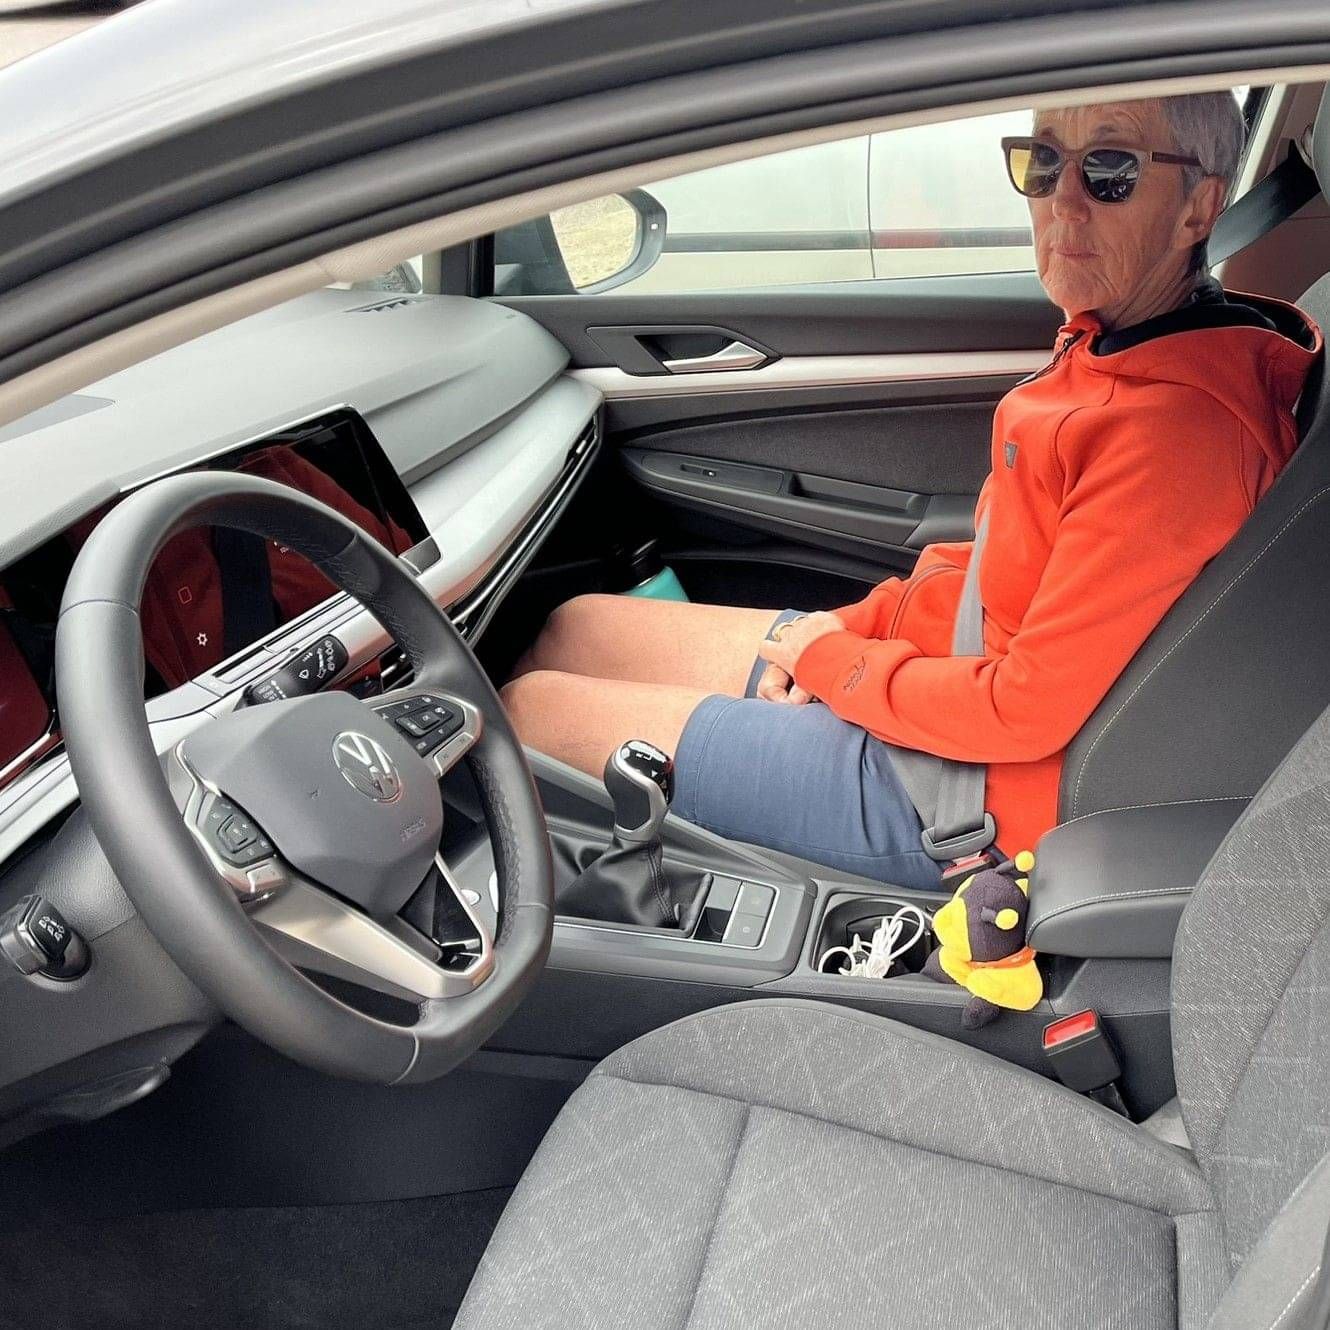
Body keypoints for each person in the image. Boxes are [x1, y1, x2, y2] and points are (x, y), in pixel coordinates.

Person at [501, 92, 1322, 889]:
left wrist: (837, 667)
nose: (1063, 202)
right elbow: (1006, 574)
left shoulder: (1176, 436)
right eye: (1043, 162)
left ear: (1197, 208)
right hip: (943, 693)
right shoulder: (1126, 347)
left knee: (528, 715)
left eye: (1111, 170)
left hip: (965, 791)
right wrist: (856, 626)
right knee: (576, 626)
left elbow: (1025, 709)